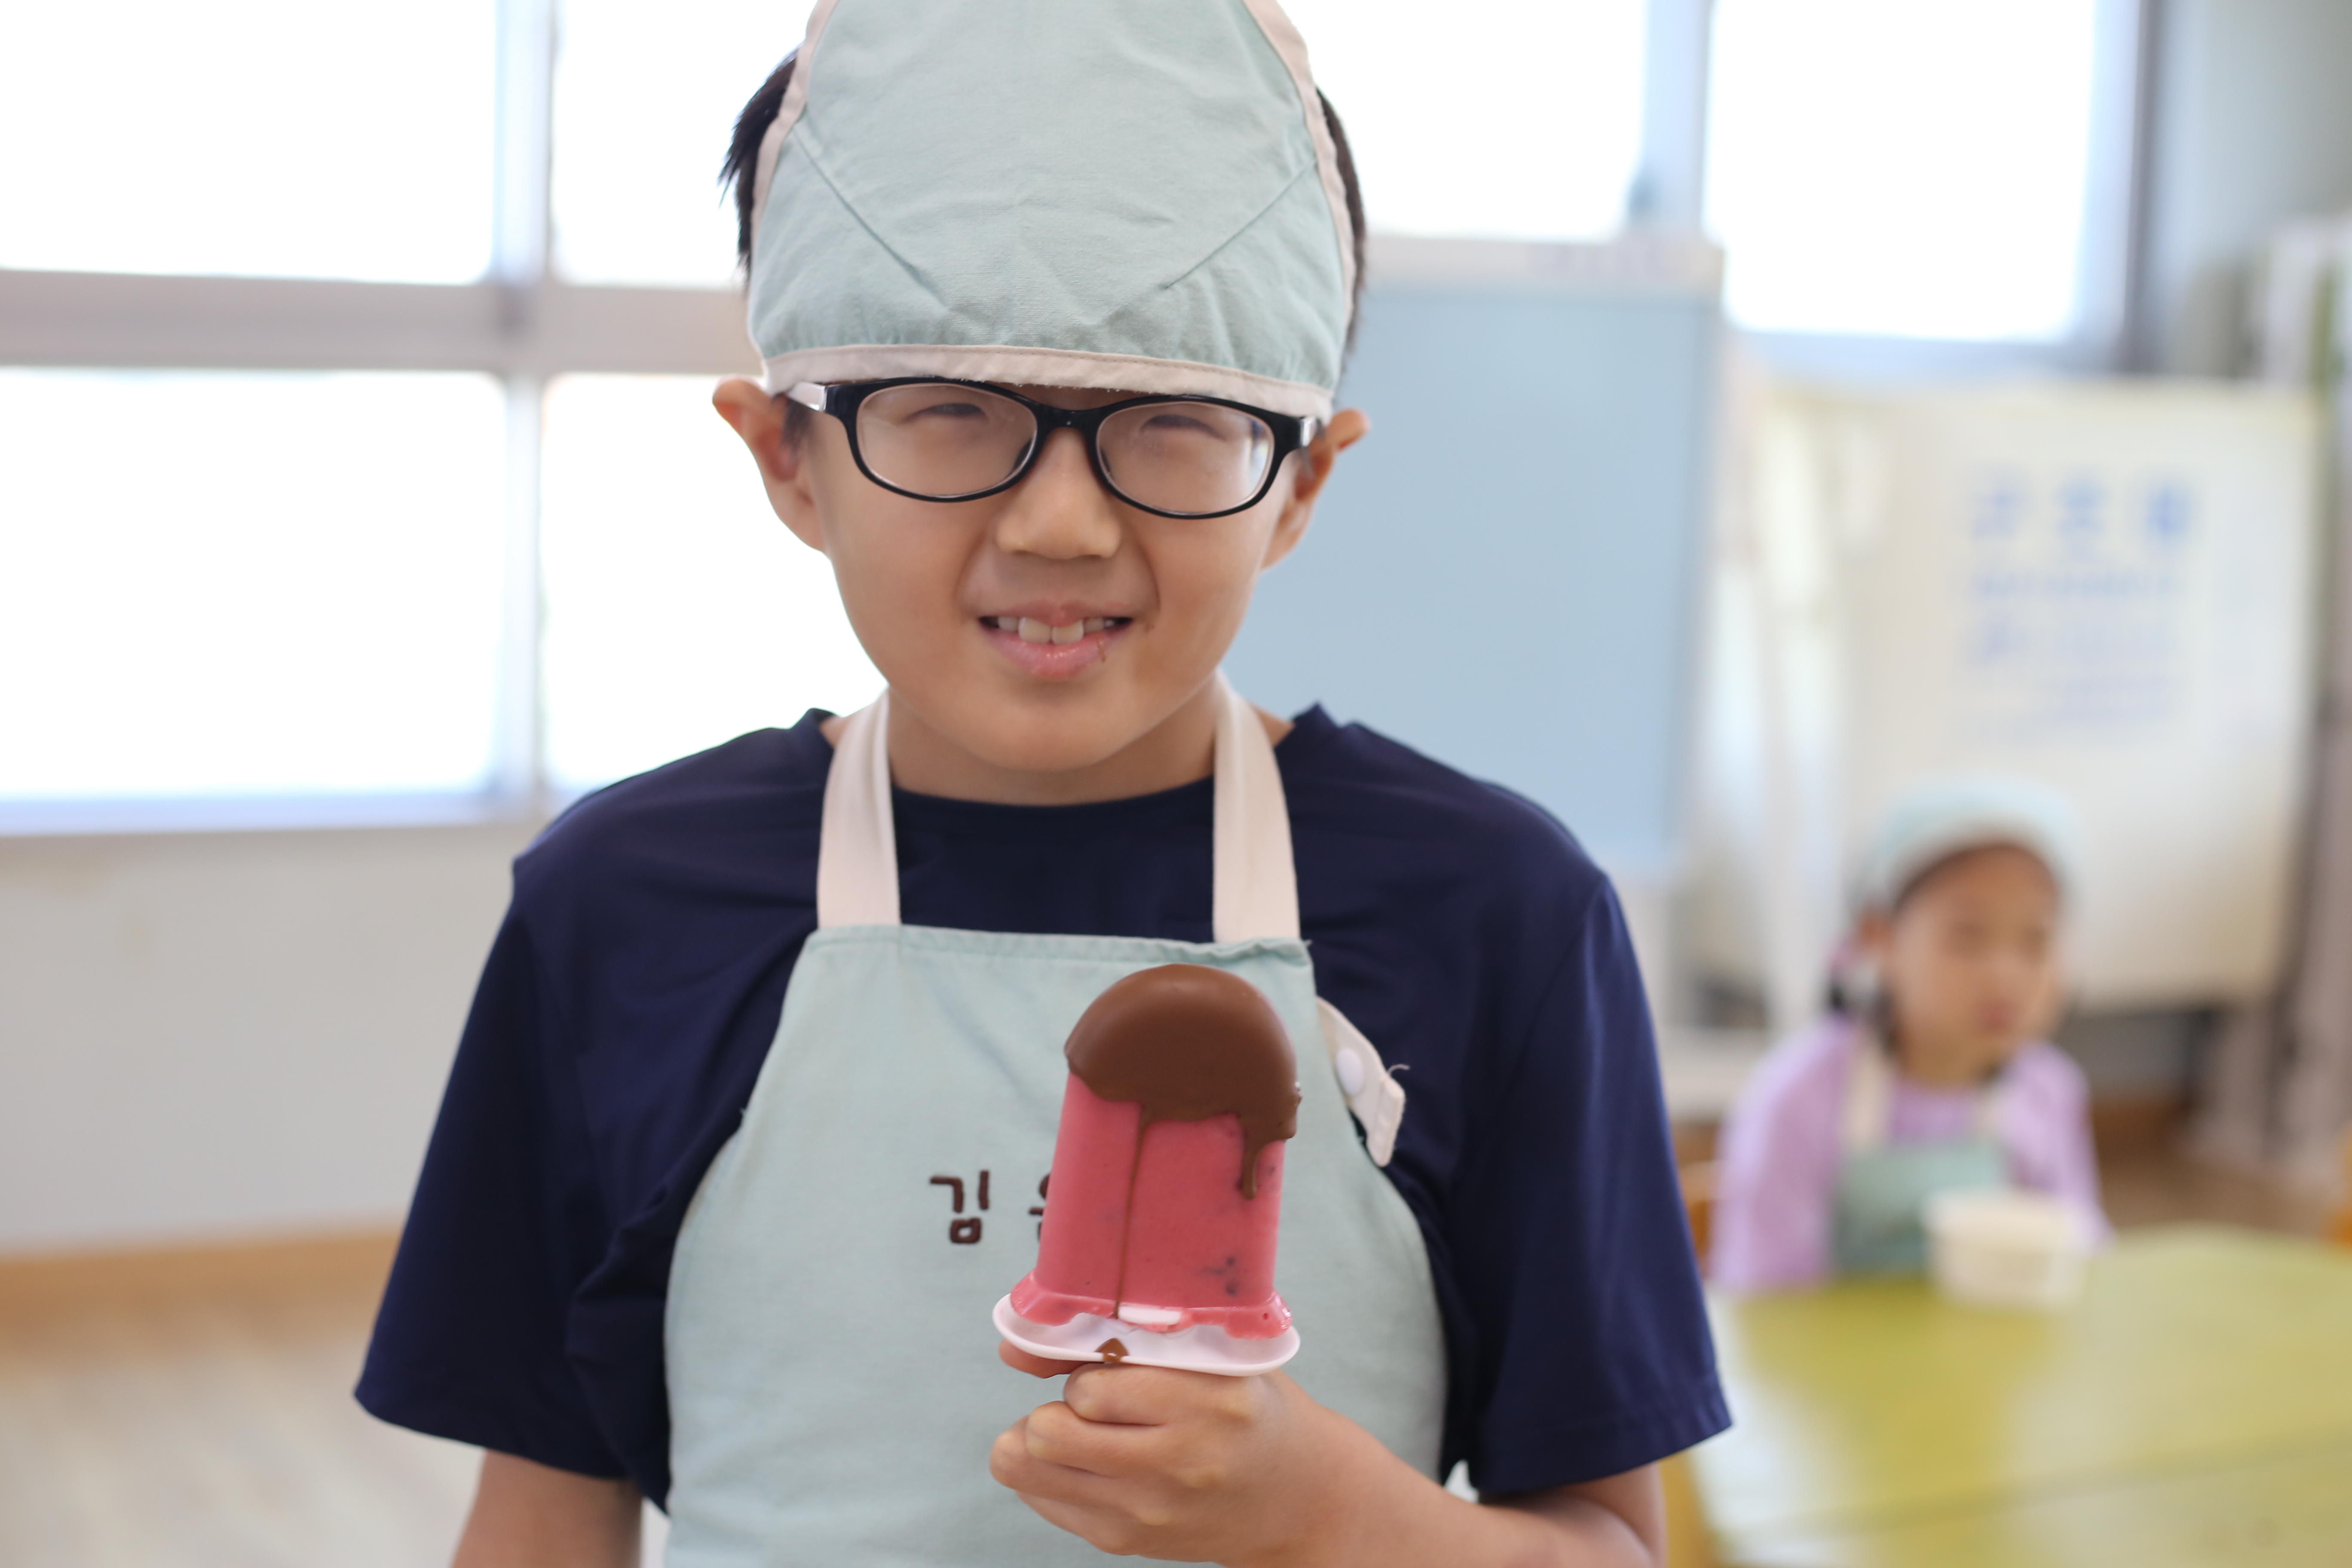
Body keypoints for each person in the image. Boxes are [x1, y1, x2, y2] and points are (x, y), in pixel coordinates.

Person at [357, 4, 1725, 1564]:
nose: (1061, 524)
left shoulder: (1498, 913)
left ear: (1300, 484)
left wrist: (1328, 1511)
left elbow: (1611, 1544)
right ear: (784, 455)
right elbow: (542, 1518)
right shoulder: (620, 905)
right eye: (949, 411)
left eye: (1176, 422)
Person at [1710, 776, 2110, 1293]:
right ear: (1879, 938)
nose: (2005, 976)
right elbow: (1764, 1295)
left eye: (2036, 941)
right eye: (1967, 938)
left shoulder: (2048, 1091)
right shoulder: (1796, 1097)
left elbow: (2079, 1252)